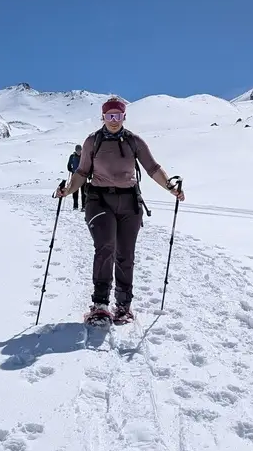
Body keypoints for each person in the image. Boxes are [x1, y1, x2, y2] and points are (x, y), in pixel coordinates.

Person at [55, 96, 185, 325]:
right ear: (102, 117)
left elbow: (153, 168)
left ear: (124, 116)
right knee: (105, 247)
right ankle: (100, 304)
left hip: (129, 202)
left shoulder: (134, 141)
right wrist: (67, 190)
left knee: (126, 254)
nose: (113, 120)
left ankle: (123, 306)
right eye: (109, 115)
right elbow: (82, 173)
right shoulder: (92, 142)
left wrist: (170, 187)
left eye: (117, 115)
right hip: (98, 200)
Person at [66, 144, 83, 210]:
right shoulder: (72, 156)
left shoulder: (84, 156)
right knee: (75, 191)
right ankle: (75, 206)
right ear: (75, 150)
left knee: (83, 192)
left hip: (82, 176)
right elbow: (69, 165)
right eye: (77, 150)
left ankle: (84, 206)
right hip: (75, 176)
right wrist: (71, 170)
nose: (78, 151)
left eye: (79, 150)